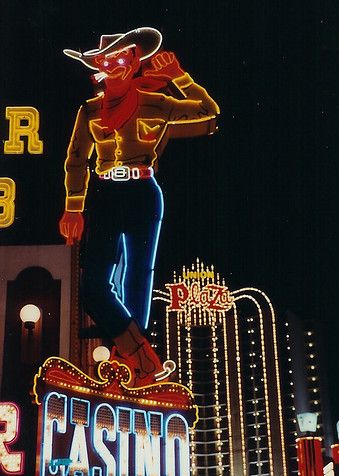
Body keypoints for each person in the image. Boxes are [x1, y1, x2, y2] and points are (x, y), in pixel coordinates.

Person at [59, 27, 219, 386]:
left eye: (120, 57)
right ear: (96, 65)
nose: (112, 64)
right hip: (103, 193)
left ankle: (132, 361)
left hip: (143, 191)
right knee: (94, 286)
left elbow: (209, 113)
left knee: (138, 277)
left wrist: (179, 76)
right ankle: (143, 355)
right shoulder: (88, 111)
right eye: (105, 59)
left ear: (133, 61)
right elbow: (75, 158)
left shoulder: (157, 103)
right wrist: (73, 206)